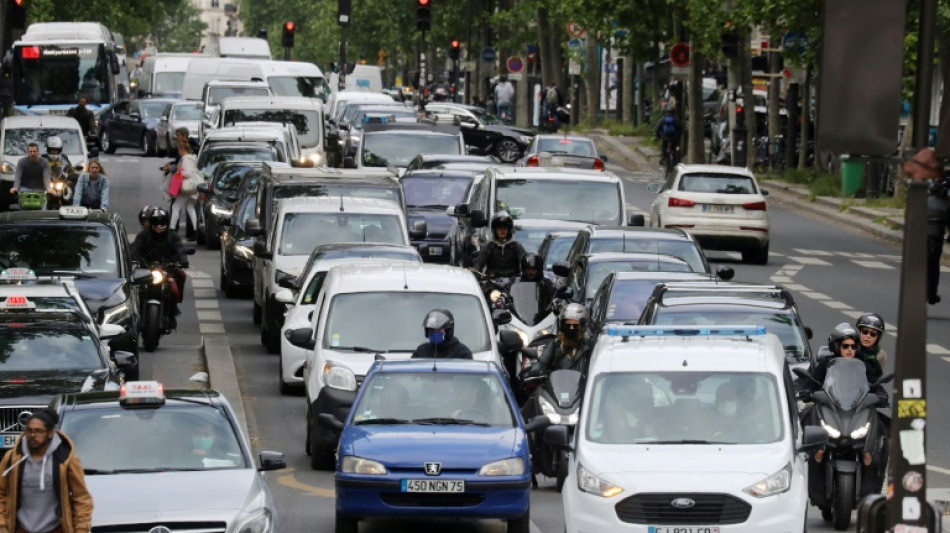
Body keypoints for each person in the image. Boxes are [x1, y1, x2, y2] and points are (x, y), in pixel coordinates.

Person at [0, 409, 94, 533]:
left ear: (50, 433)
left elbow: (81, 498)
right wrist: (2, 525)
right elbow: (1, 493)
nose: (33, 435)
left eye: (39, 431)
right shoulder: (12, 459)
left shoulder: (65, 460)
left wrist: (81, 528)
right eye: (29, 431)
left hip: (55, 529)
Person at [131, 207, 189, 326]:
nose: (159, 225)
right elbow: (135, 249)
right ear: (151, 223)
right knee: (132, 288)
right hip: (146, 270)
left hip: (167, 270)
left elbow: (179, 250)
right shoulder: (143, 235)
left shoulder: (173, 236)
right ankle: (132, 314)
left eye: (163, 222)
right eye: (156, 222)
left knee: (175, 288)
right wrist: (132, 257)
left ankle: (173, 309)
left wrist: (183, 260)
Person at [524, 303, 591, 377]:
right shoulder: (555, 346)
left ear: (582, 327)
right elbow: (540, 365)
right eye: (568, 325)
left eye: (575, 326)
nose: (571, 328)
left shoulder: (589, 348)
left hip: (582, 387)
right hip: (558, 387)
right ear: (562, 326)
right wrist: (531, 376)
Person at [595, 378, 657, 443]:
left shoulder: (639, 430)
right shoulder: (595, 429)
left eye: (628, 398)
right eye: (616, 399)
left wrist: (649, 433)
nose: (621, 403)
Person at [471, 211, 525, 279]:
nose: (502, 231)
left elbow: (524, 265)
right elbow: (479, 265)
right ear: (494, 230)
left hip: (513, 284)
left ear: (509, 230)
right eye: (499, 228)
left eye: (505, 228)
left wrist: (523, 276)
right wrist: (475, 272)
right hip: (491, 283)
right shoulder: (488, 247)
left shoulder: (517, 247)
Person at [926, 172, 950, 304]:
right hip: (935, 239)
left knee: (916, 265)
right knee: (934, 266)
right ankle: (932, 294)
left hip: (919, 238)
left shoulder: (924, 202)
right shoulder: (946, 204)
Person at [169, 141, 199, 242]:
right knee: (190, 208)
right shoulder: (194, 158)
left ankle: (172, 230)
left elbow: (189, 173)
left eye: (179, 150)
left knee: (175, 207)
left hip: (186, 188)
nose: (178, 152)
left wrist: (179, 171)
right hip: (193, 187)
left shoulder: (186, 160)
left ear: (182, 150)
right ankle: (195, 230)